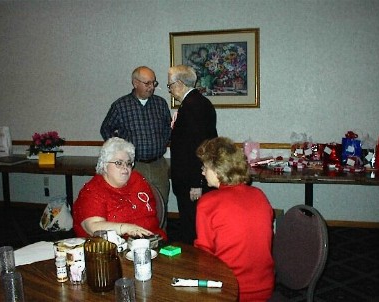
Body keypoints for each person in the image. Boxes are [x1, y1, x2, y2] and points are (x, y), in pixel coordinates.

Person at [194, 137, 274, 302]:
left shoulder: (208, 202)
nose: (202, 172)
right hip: (265, 287)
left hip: (228, 290)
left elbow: (204, 255)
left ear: (217, 169)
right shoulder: (259, 195)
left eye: (205, 167)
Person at [100, 66, 171, 209]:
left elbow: (168, 128)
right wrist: (118, 151)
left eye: (154, 83)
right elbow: (106, 129)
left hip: (159, 165)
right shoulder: (121, 105)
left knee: (161, 205)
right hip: (134, 166)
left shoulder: (160, 103)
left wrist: (162, 143)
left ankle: (160, 232)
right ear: (135, 83)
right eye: (147, 83)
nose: (151, 87)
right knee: (135, 206)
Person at [73, 137, 167, 241]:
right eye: (118, 163)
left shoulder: (137, 180)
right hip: (112, 250)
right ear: (104, 165)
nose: (125, 167)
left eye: (128, 163)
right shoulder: (92, 190)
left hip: (153, 242)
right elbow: (93, 227)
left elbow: (153, 214)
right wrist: (126, 228)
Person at [168, 64, 218, 244]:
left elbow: (199, 147)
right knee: (193, 225)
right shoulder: (199, 103)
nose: (170, 90)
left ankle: (194, 267)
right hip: (193, 180)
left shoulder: (191, 107)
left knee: (192, 229)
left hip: (192, 184)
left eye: (170, 85)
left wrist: (197, 183)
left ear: (179, 84)